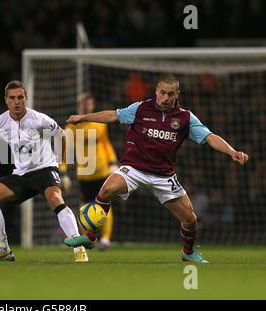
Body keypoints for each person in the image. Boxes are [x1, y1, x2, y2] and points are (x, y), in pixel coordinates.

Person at [64, 74, 249, 263]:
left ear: (177, 94)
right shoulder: (141, 108)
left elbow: (210, 137)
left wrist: (232, 152)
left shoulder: (185, 118)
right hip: (134, 169)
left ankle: (188, 252)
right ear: (156, 91)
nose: (165, 98)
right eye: (162, 92)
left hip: (163, 176)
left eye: (170, 94)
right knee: (106, 190)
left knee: (191, 219)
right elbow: (113, 114)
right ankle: (91, 237)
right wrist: (83, 117)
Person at [0, 80, 89, 262]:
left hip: (45, 168)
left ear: (26, 99)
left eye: (20, 97)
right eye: (12, 98)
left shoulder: (39, 119)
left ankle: (79, 248)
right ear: (6, 100)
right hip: (21, 174)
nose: (16, 102)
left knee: (55, 199)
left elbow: (62, 135)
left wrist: (63, 169)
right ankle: (3, 249)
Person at [60, 92, 118, 250]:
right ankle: (88, 238)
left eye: (90, 103)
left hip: (102, 170)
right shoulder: (71, 127)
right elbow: (65, 152)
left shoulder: (100, 124)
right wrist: (63, 172)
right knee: (84, 208)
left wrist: (113, 161)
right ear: (80, 106)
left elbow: (106, 144)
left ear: (92, 105)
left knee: (105, 205)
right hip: (85, 174)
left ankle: (105, 239)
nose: (87, 106)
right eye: (84, 104)